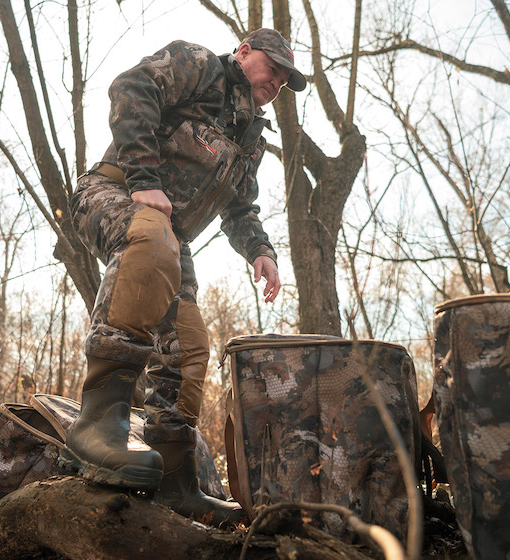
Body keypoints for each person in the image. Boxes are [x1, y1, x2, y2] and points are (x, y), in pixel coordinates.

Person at [59, 28, 306, 526]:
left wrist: (260, 250)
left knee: (190, 343)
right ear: (243, 51)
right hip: (116, 192)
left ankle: (174, 478)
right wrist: (145, 180)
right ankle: (97, 424)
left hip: (169, 235)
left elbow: (241, 207)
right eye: (271, 68)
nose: (276, 82)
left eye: (284, 79)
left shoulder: (250, 135)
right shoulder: (200, 66)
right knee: (151, 243)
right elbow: (131, 87)